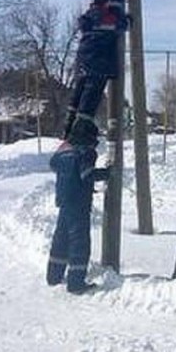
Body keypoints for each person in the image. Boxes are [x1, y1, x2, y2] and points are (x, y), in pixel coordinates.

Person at [46, 122, 110, 295]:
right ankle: (76, 283)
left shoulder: (63, 151)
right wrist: (107, 173)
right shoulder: (86, 152)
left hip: (64, 201)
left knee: (61, 240)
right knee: (79, 243)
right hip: (79, 203)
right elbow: (87, 174)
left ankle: (53, 276)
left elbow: (53, 164)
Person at [63, 17, 120, 142]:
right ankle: (81, 129)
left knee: (79, 91)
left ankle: (69, 124)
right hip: (100, 63)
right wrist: (125, 20)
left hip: (83, 61)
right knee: (91, 94)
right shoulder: (108, 16)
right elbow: (120, 25)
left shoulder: (88, 19)